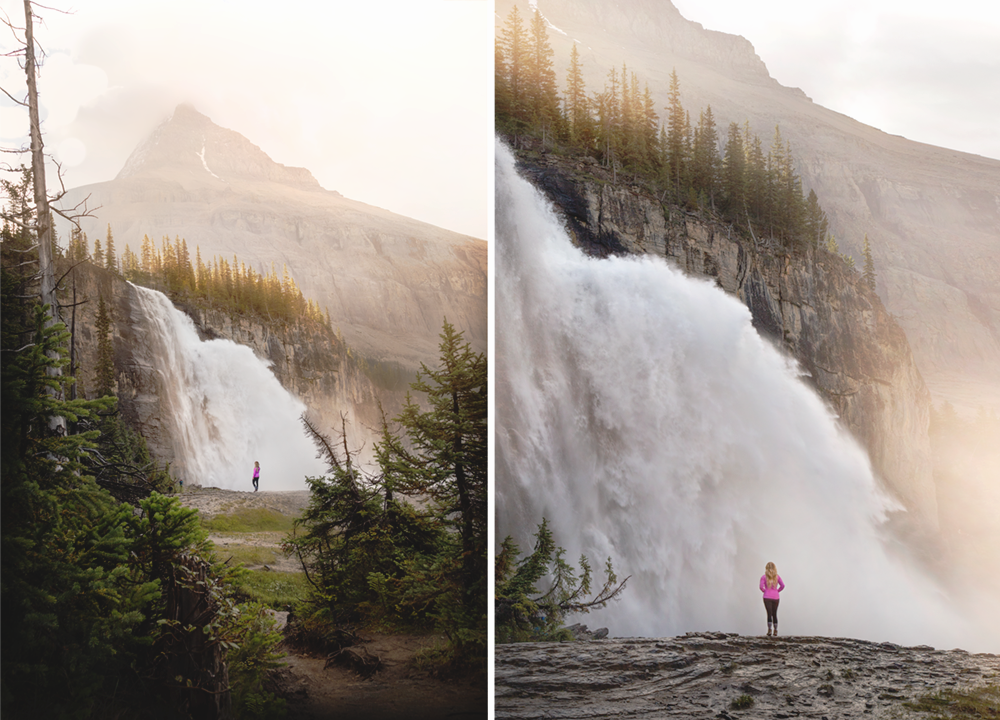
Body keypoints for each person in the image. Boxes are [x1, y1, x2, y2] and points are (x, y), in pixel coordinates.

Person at [759, 561, 784, 637]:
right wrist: (777, 591)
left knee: (769, 614)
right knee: (774, 614)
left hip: (767, 597)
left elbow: (761, 587)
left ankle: (769, 630)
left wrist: (765, 591)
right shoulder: (777, 577)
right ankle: (776, 630)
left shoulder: (764, 577)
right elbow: (783, 585)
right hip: (776, 597)